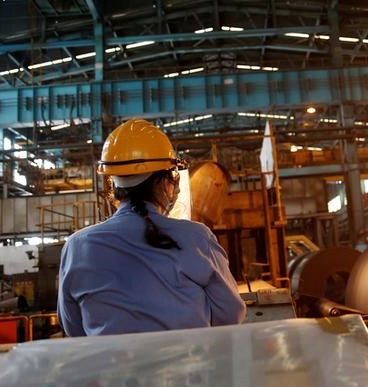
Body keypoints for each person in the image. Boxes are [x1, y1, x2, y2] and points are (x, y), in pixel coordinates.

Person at [58, 119, 246, 336]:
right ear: (166, 182)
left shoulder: (77, 246)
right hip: (187, 366)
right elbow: (230, 314)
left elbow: (73, 326)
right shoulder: (195, 237)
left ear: (112, 183)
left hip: (111, 368)